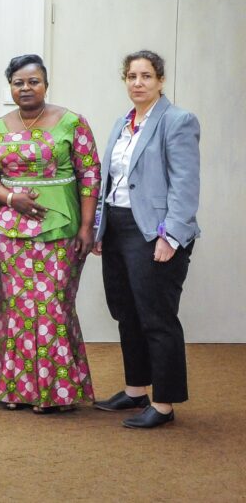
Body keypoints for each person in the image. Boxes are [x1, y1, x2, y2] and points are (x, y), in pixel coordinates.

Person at [0, 54, 99, 413]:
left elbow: (90, 174)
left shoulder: (72, 122)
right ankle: (14, 389)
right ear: (10, 87)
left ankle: (57, 392)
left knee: (52, 305)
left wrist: (88, 227)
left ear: (46, 83)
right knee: (14, 307)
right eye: (18, 83)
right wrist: (12, 197)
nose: (25, 88)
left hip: (61, 226)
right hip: (10, 229)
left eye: (33, 81)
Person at [93, 50, 200, 429]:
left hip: (154, 232)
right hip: (119, 228)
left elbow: (185, 186)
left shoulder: (177, 121)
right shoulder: (122, 123)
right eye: (131, 76)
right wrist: (101, 231)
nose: (137, 83)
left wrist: (170, 235)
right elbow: (112, 181)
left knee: (157, 318)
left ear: (160, 81)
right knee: (126, 313)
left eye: (146, 76)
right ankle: (135, 389)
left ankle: (164, 403)